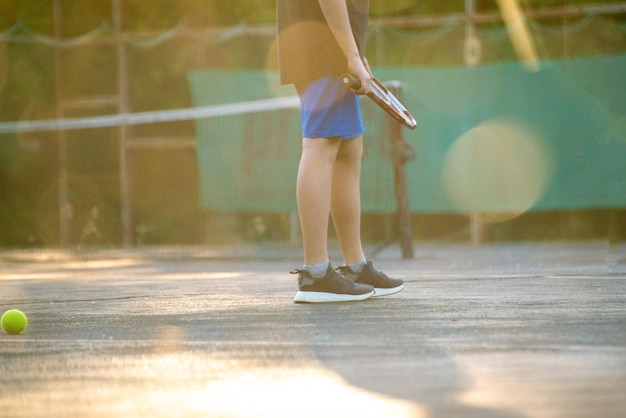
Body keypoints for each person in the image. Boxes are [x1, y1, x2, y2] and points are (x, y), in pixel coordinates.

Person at [277, 0, 404, 303]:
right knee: (321, 144)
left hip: (328, 49)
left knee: (349, 147)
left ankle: (355, 266)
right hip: (324, 51)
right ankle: (316, 273)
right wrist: (351, 55)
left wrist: (357, 55)